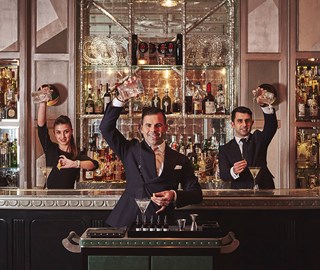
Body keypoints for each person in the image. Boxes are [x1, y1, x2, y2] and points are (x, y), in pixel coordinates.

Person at [99, 93, 203, 228]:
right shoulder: (129, 150)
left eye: (158, 125)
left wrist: (173, 194)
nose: (153, 130)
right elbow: (106, 128)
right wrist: (120, 100)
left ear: (166, 127)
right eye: (148, 125)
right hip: (128, 221)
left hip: (162, 224)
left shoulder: (180, 159)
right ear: (140, 128)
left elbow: (196, 194)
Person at [37, 85, 98, 189]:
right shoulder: (50, 149)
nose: (62, 136)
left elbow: (94, 164)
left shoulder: (76, 154)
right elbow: (41, 126)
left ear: (71, 132)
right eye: (59, 132)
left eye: (66, 132)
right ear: (55, 134)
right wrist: (43, 102)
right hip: (49, 200)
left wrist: (74, 164)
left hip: (69, 200)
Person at [218, 86, 278, 189]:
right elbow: (224, 175)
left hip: (265, 193)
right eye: (240, 121)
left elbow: (271, 127)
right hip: (240, 196)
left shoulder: (259, 139)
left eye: (247, 120)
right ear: (232, 124)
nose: (244, 124)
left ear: (252, 122)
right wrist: (233, 171)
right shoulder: (225, 149)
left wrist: (263, 105)